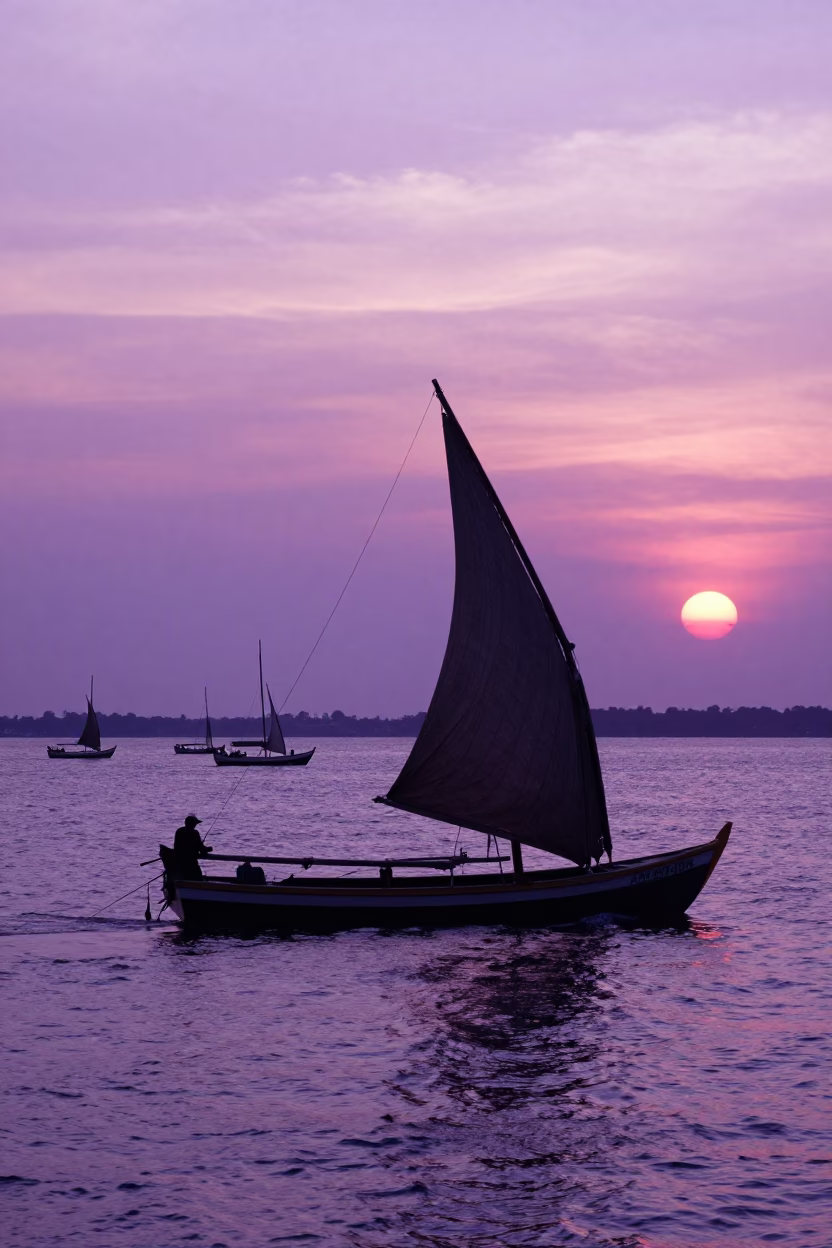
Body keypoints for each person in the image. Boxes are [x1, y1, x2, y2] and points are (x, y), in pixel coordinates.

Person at [172, 814, 213, 879]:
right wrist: (208, 849)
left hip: (178, 864)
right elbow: (201, 849)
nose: (195, 825)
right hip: (192, 864)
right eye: (195, 824)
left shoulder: (179, 831)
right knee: (198, 878)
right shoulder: (195, 833)